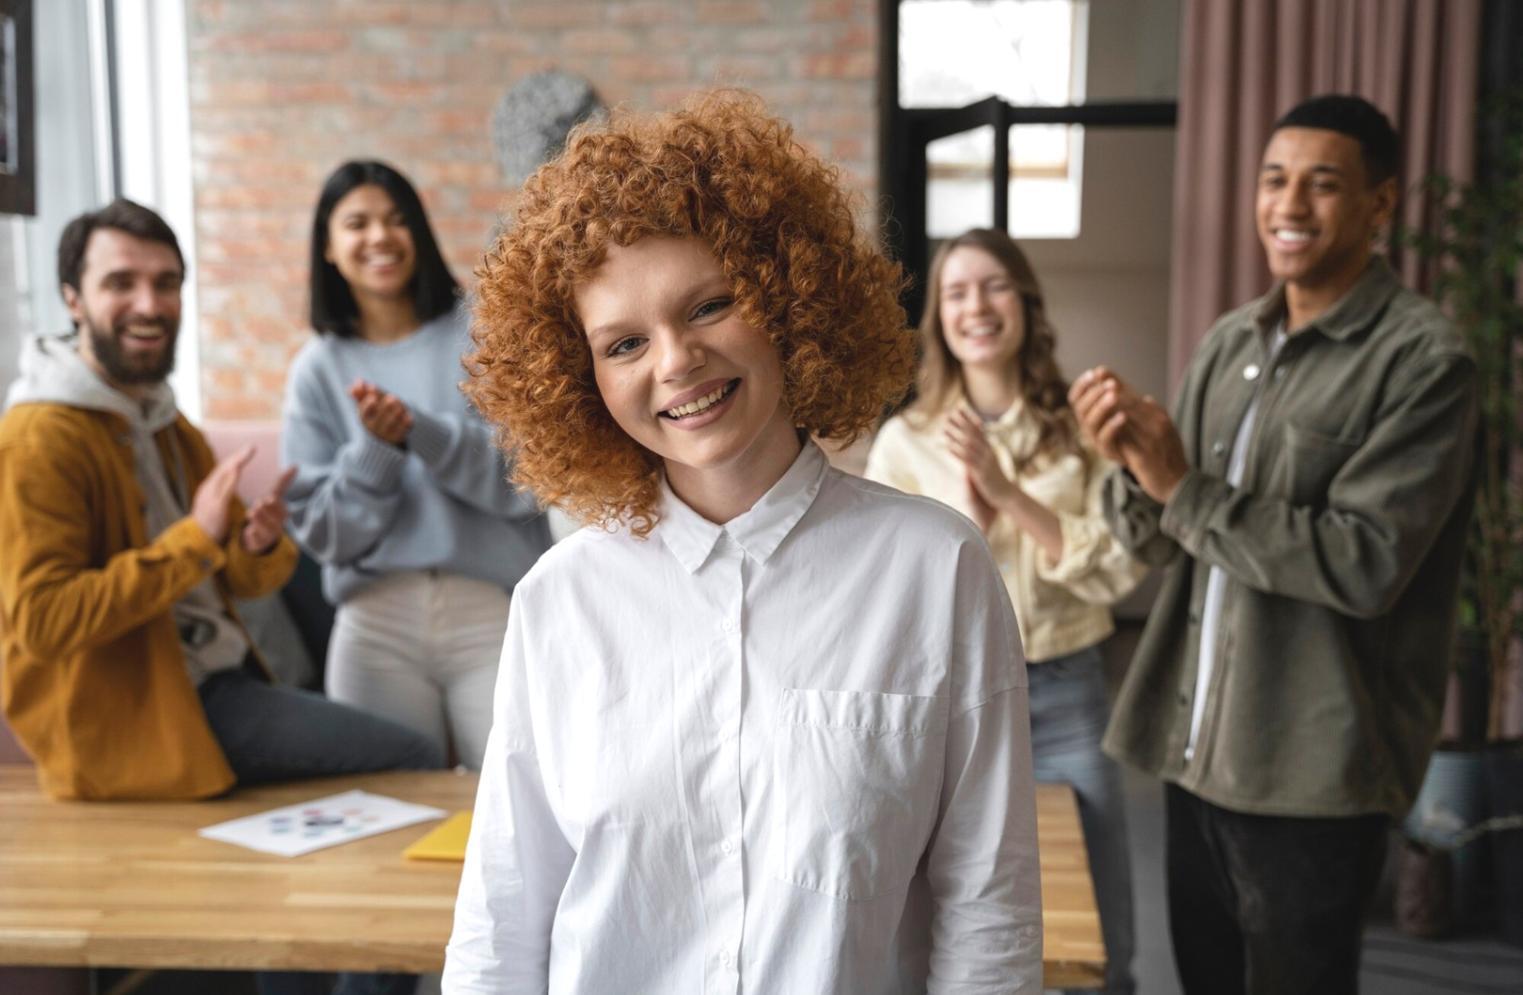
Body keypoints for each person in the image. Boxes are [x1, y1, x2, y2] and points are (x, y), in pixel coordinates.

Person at [443, 93, 1043, 993]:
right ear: (579, 379)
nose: (674, 361)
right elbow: (504, 914)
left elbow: (986, 905)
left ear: (792, 302)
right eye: (622, 343)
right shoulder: (559, 600)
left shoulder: (935, 569)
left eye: (711, 304)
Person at [1070, 94, 1478, 995]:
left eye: (1321, 184)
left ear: (1379, 203)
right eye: (1272, 179)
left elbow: (1365, 559)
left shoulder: (1422, 361)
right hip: (1194, 750)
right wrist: (1131, 461)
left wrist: (1181, 484)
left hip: (1308, 774)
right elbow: (1164, 536)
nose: (1287, 205)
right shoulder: (1231, 340)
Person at [0, 199, 442, 995]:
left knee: (340, 819)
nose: (150, 303)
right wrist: (199, 538)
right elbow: (42, 620)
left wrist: (255, 545)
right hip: (148, 713)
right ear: (72, 298)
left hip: (212, 688)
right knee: (412, 759)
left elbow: (239, 578)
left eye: (166, 283)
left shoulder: (165, 423)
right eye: (121, 282)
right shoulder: (40, 437)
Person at [865, 227, 1144, 994]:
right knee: (949, 915)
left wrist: (1006, 491)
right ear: (938, 319)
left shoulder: (1083, 430)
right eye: (956, 291)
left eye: (992, 286)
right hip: (946, 705)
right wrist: (969, 521)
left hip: (1064, 695)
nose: (975, 306)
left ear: (1024, 301)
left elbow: (1115, 571)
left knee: (1100, 940)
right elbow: (891, 596)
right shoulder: (902, 442)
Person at [281, 161, 550, 770]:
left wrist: (420, 434)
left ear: (419, 233)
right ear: (328, 245)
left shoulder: (481, 335)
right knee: (381, 808)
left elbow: (530, 477)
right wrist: (377, 452)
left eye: (396, 220)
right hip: (375, 623)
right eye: (357, 223)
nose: (379, 236)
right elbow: (324, 534)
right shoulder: (316, 370)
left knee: (522, 794)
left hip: (493, 608)